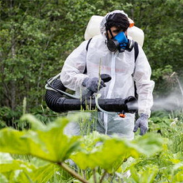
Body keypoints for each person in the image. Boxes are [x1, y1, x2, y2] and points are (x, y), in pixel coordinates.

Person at [60, 10, 154, 139]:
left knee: (120, 156)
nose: (121, 36)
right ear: (106, 30)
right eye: (116, 32)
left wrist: (144, 114)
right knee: (77, 154)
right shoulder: (90, 46)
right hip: (87, 115)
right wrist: (86, 80)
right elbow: (66, 74)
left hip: (120, 119)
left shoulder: (135, 51)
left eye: (124, 31)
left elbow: (144, 84)